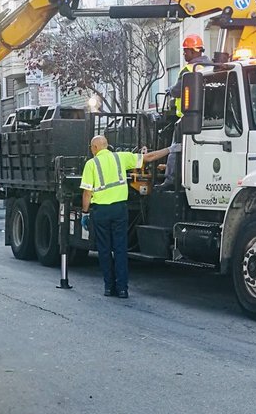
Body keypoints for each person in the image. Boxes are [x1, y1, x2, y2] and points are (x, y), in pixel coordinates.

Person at [80, 136, 167, 298]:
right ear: (107, 146)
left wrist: (85, 213)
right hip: (119, 210)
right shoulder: (120, 158)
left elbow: (87, 193)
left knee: (104, 250)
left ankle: (108, 287)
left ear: (95, 148)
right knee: (120, 249)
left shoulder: (91, 164)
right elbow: (149, 157)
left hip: (101, 212)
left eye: (91, 148)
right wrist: (170, 149)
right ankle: (122, 289)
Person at [163, 33, 213, 189]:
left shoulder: (188, 69)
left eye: (186, 51)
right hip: (209, 117)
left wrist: (169, 90)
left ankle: (171, 180)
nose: (184, 54)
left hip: (188, 117)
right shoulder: (212, 67)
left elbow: (178, 91)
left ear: (193, 51)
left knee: (175, 150)